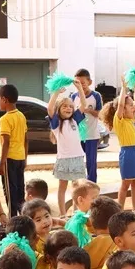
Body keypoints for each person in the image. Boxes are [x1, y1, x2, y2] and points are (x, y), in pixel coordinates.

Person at [103, 76, 135, 212]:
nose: (133, 107)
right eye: (130, 105)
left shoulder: (131, 119)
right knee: (125, 184)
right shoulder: (119, 120)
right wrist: (123, 87)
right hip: (127, 153)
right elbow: (121, 105)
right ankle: (119, 210)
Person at [47, 85, 87, 216]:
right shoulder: (56, 123)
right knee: (62, 188)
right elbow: (49, 108)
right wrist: (56, 92)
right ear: (59, 109)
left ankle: (76, 212)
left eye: (70, 106)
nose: (68, 108)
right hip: (63, 159)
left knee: (77, 187)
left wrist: (80, 88)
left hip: (78, 158)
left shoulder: (75, 120)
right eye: (64, 106)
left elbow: (84, 103)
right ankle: (63, 214)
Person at [0, 84, 27, 217]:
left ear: (4, 99)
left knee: (10, 193)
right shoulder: (21, 116)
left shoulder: (5, 119)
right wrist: (25, 159)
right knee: (20, 191)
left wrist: (1, 164)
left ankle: (13, 219)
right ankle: (24, 217)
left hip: (9, 159)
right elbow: (26, 140)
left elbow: (5, 142)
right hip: (20, 158)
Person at [72, 69, 104, 182]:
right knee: (78, 162)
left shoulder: (96, 96)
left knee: (91, 163)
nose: (80, 85)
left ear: (89, 82)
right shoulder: (73, 97)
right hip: (77, 136)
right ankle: (80, 185)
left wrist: (88, 110)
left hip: (92, 136)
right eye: (77, 83)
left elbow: (100, 114)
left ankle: (92, 185)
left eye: (83, 83)